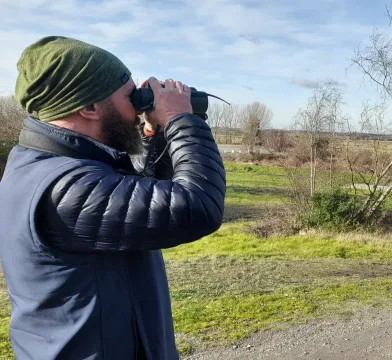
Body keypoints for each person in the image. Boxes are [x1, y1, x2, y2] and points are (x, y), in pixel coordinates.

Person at [0, 36, 226, 359]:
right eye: (130, 96)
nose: (139, 106)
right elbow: (198, 204)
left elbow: (136, 204)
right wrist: (180, 118)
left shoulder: (45, 166)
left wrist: (152, 134)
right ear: (89, 107)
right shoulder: (63, 190)